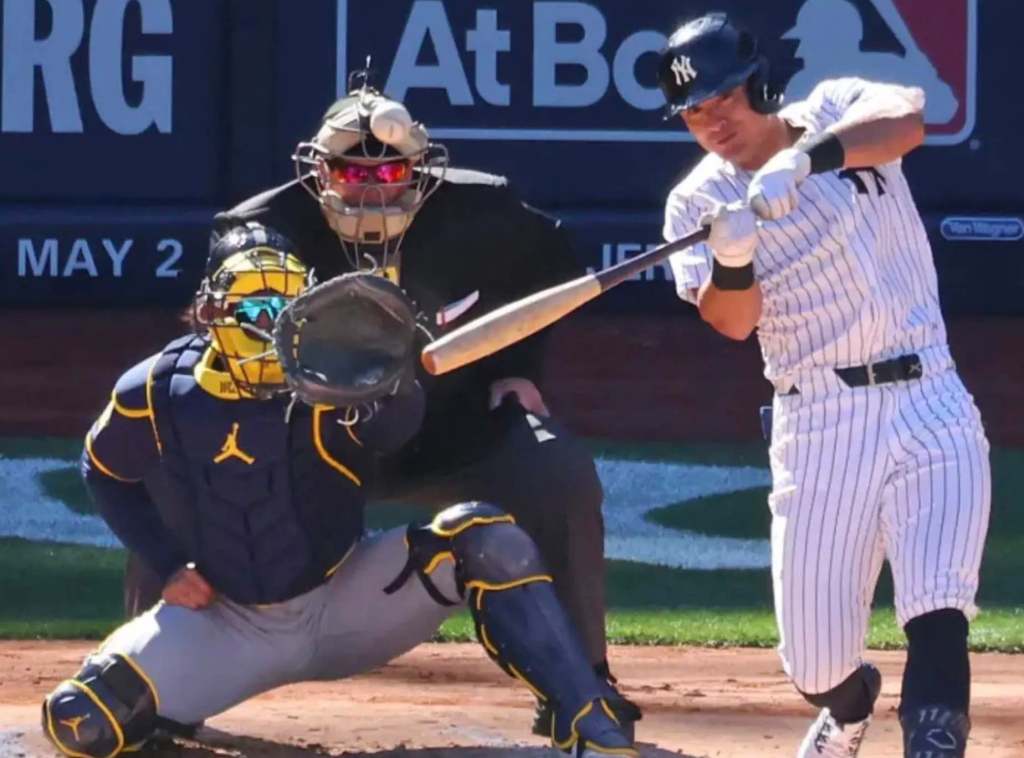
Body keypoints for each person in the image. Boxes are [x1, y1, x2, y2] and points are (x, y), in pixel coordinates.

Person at [121, 70, 641, 737]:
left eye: (390, 171)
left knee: (556, 470)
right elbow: (223, 327)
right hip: (304, 444)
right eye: (351, 172)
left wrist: (519, 369)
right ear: (319, 172)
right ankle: (144, 692)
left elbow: (549, 278)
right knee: (176, 474)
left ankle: (583, 683)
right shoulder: (261, 229)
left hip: (451, 430)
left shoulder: (487, 212)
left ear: (420, 169)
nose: (371, 187)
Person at [41, 229, 637, 758]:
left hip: (349, 604)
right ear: (210, 311)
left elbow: (394, 430)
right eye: (255, 309)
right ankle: (171, 715)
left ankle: (587, 720)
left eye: (283, 309)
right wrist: (167, 562)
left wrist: (390, 374)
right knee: (80, 722)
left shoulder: (336, 378)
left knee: (485, 538)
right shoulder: (154, 391)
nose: (268, 327)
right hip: (228, 626)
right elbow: (103, 471)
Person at [656, 13, 990, 758]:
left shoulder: (835, 107)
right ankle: (849, 704)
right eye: (696, 111)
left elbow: (907, 121)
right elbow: (733, 322)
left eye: (724, 98)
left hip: (930, 395)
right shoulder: (696, 203)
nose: (714, 121)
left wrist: (805, 161)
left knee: (938, 608)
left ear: (758, 84)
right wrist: (733, 258)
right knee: (815, 666)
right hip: (820, 424)